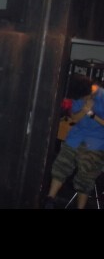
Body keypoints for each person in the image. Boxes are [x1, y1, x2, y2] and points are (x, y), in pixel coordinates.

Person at [44, 74, 104, 209]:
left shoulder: (102, 96)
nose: (81, 100)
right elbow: (75, 118)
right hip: (76, 137)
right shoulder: (80, 96)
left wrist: (92, 114)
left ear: (89, 91)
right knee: (61, 164)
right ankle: (49, 200)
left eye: (83, 98)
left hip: (96, 141)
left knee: (85, 175)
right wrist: (84, 110)